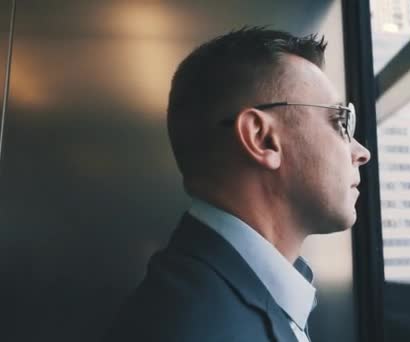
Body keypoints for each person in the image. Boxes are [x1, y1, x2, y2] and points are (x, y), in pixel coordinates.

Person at [103, 27, 371, 342]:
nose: (361, 152)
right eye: (341, 122)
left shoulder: (224, 292)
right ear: (263, 138)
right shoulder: (198, 326)